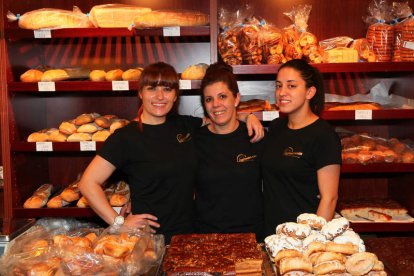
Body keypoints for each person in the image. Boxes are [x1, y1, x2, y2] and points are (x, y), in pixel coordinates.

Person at [78, 62, 264, 243]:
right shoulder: (126, 137)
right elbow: (87, 183)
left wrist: (248, 116)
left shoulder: (185, 126)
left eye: (167, 89)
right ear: (140, 93)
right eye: (152, 88)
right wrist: (119, 224)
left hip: (189, 236)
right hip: (149, 239)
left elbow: (221, 117)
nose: (160, 96)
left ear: (175, 95)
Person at [262, 59, 342, 237]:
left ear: (310, 92)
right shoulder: (276, 127)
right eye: (279, 85)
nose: (282, 92)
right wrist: (248, 117)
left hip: (303, 238)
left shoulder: (324, 136)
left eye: (291, 86)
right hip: (271, 234)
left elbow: (329, 199)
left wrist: (312, 241)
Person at [194, 63, 264, 241]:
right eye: (209, 99)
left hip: (251, 237)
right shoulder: (194, 140)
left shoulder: (255, 136)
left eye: (222, 96)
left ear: (236, 98)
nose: (216, 105)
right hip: (207, 238)